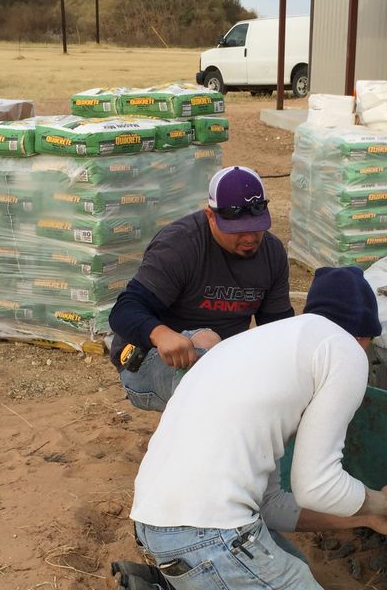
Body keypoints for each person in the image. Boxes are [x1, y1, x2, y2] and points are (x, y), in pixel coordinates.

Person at [98, 266, 387, 590]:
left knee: (296, 571)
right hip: (213, 541)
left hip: (161, 531)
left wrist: (362, 515)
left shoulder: (255, 346)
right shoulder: (345, 351)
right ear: (365, 335)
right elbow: (318, 485)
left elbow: (271, 504)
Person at [107, 165, 295, 411]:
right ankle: (194, 439)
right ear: (210, 216)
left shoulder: (271, 253)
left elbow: (277, 328)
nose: (250, 238)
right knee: (207, 343)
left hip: (224, 362)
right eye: (238, 230)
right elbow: (124, 312)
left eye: (257, 226)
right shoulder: (180, 246)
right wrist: (161, 334)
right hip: (147, 363)